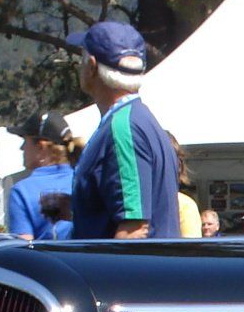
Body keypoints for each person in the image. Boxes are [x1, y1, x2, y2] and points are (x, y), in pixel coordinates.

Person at [67, 20, 182, 239]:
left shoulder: (123, 128)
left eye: (81, 58)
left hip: (132, 272)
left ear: (91, 66)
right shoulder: (138, 119)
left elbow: (134, 229)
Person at [6, 110, 77, 240]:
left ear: (41, 148)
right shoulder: (86, 182)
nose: (22, 148)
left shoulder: (22, 191)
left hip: (48, 260)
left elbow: (24, 250)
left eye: (25, 140)